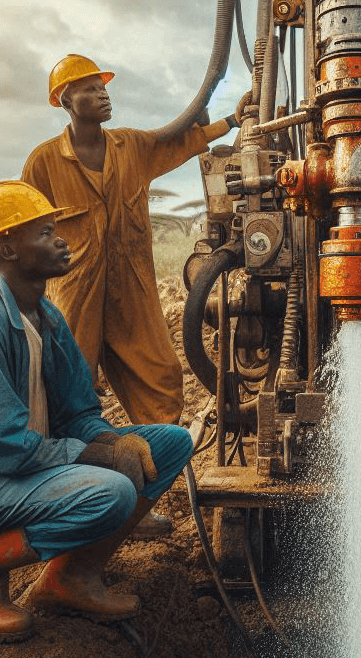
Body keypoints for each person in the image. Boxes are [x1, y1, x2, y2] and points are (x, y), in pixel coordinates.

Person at [0, 181, 194, 642]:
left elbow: (76, 412)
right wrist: (90, 458)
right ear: (6, 249)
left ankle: (70, 577)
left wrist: (106, 441)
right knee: (111, 493)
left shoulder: (48, 317)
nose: (61, 239)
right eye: (45, 233)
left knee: (170, 444)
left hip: (22, 470)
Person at [22, 54, 235, 538]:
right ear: (65, 101)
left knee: (161, 382)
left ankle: (137, 505)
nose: (102, 94)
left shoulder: (132, 146)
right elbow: (28, 227)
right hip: (73, 296)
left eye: (103, 86)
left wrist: (231, 119)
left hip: (133, 292)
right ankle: (75, 504)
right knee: (68, 401)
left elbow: (179, 142)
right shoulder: (44, 161)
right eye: (89, 89)